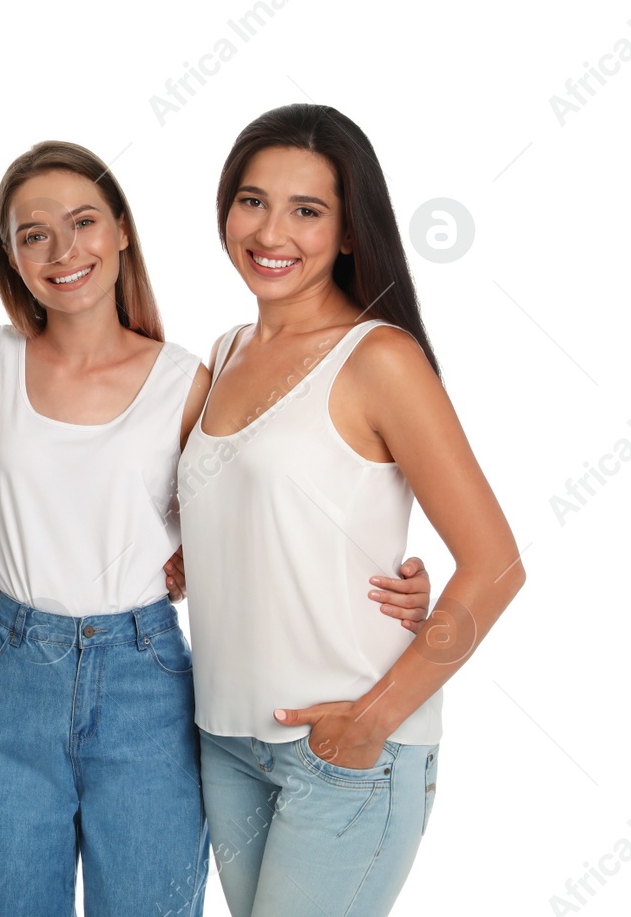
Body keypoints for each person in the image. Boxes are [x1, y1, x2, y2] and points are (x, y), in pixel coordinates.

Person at [0, 141, 433, 917]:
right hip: (12, 669)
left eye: (84, 222)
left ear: (123, 231)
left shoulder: (187, 379)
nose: (63, 250)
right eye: (33, 234)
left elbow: (251, 511)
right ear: (8, 254)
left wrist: (394, 575)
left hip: (147, 679)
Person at [179, 104, 525, 916]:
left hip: (342, 752)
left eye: (308, 210)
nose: (272, 231)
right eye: (253, 200)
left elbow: (498, 566)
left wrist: (372, 719)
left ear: (346, 233)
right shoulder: (225, 352)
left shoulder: (379, 359)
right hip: (226, 741)